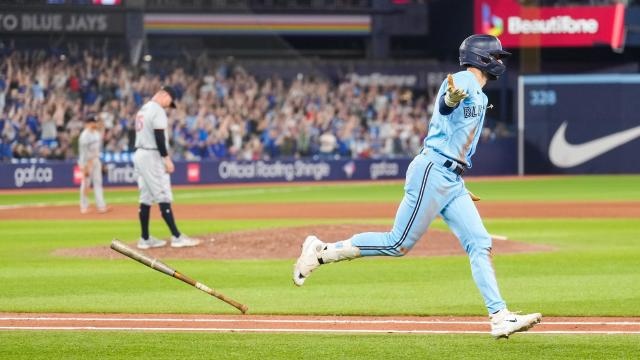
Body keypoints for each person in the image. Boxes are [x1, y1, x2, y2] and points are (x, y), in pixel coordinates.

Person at [292, 34, 542, 339]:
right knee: (398, 244)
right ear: (483, 58)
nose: (501, 62)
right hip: (433, 170)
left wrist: (457, 182)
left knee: (479, 242)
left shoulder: (482, 94)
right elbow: (447, 103)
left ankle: (499, 316)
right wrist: (450, 99)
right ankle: (321, 252)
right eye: (497, 56)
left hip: (451, 178)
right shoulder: (462, 79)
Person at [133, 85, 200, 249]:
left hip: (140, 154)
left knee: (146, 197)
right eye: (170, 101)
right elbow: (159, 137)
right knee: (163, 194)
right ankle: (177, 236)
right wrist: (166, 159)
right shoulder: (157, 110)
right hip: (152, 155)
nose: (168, 106)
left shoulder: (143, 109)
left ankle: (145, 238)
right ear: (164, 95)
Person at [78, 115, 108, 214]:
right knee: (86, 184)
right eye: (93, 122)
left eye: (95, 122)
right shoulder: (84, 136)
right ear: (88, 123)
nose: (95, 124)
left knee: (98, 183)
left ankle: (101, 206)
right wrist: (86, 166)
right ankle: (84, 207)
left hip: (95, 160)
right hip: (86, 161)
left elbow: (97, 150)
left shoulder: (96, 133)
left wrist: (100, 161)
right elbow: (84, 153)